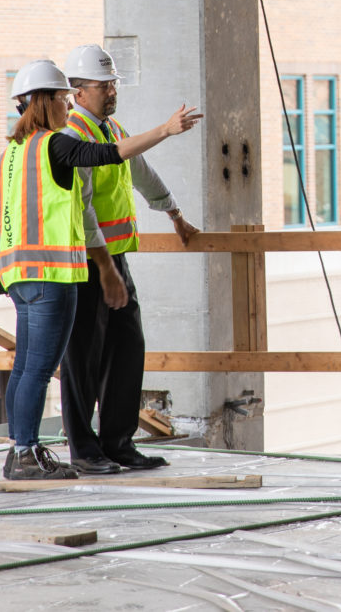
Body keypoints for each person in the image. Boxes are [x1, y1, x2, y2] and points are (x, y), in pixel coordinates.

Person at [0, 59, 201, 480]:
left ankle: (34, 451)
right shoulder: (59, 142)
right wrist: (164, 130)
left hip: (24, 272)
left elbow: (127, 166)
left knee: (35, 366)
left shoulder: (17, 150)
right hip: (59, 271)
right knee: (58, 365)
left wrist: (171, 210)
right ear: (48, 100)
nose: (68, 105)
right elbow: (103, 162)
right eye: (64, 97)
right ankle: (39, 453)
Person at [58, 43, 199, 474]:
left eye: (114, 83)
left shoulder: (111, 130)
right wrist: (104, 269)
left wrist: (174, 213)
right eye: (104, 85)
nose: (112, 91)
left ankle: (118, 443)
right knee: (83, 358)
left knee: (126, 349)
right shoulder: (73, 138)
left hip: (115, 259)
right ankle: (85, 451)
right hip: (86, 263)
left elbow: (140, 171)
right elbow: (82, 209)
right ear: (79, 93)